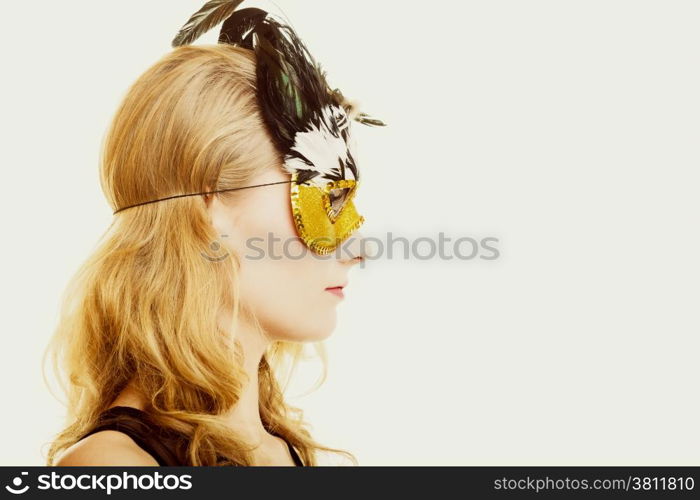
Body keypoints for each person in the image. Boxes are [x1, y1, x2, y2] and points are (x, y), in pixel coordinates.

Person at [43, 0, 385, 466]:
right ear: (210, 206)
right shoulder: (111, 467)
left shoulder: (286, 453)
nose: (357, 250)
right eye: (326, 198)